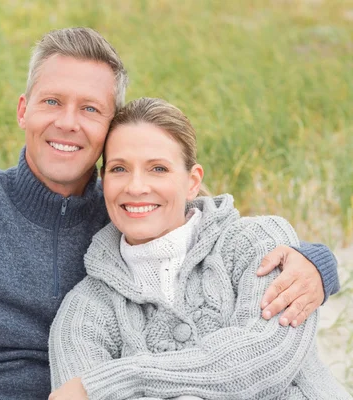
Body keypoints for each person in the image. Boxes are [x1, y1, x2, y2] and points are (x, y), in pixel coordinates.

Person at [0, 28, 340, 400]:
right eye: (52, 102)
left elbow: (203, 226)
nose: (69, 123)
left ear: (108, 129)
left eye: (91, 110)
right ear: (24, 110)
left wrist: (315, 262)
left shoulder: (126, 210)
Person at [48, 97, 350, 400]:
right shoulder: (84, 311)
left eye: (158, 168)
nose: (136, 186)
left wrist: (119, 379)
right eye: (119, 169)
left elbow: (266, 358)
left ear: (192, 182)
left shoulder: (258, 242)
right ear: (104, 181)